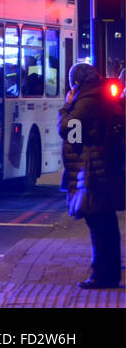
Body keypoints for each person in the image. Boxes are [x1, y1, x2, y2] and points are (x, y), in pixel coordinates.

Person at [58, 62, 126, 289]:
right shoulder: (98, 98)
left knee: (99, 224)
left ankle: (102, 275)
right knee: (105, 222)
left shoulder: (85, 103)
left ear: (76, 84)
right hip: (101, 168)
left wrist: (66, 106)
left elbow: (72, 133)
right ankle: (108, 273)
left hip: (91, 171)